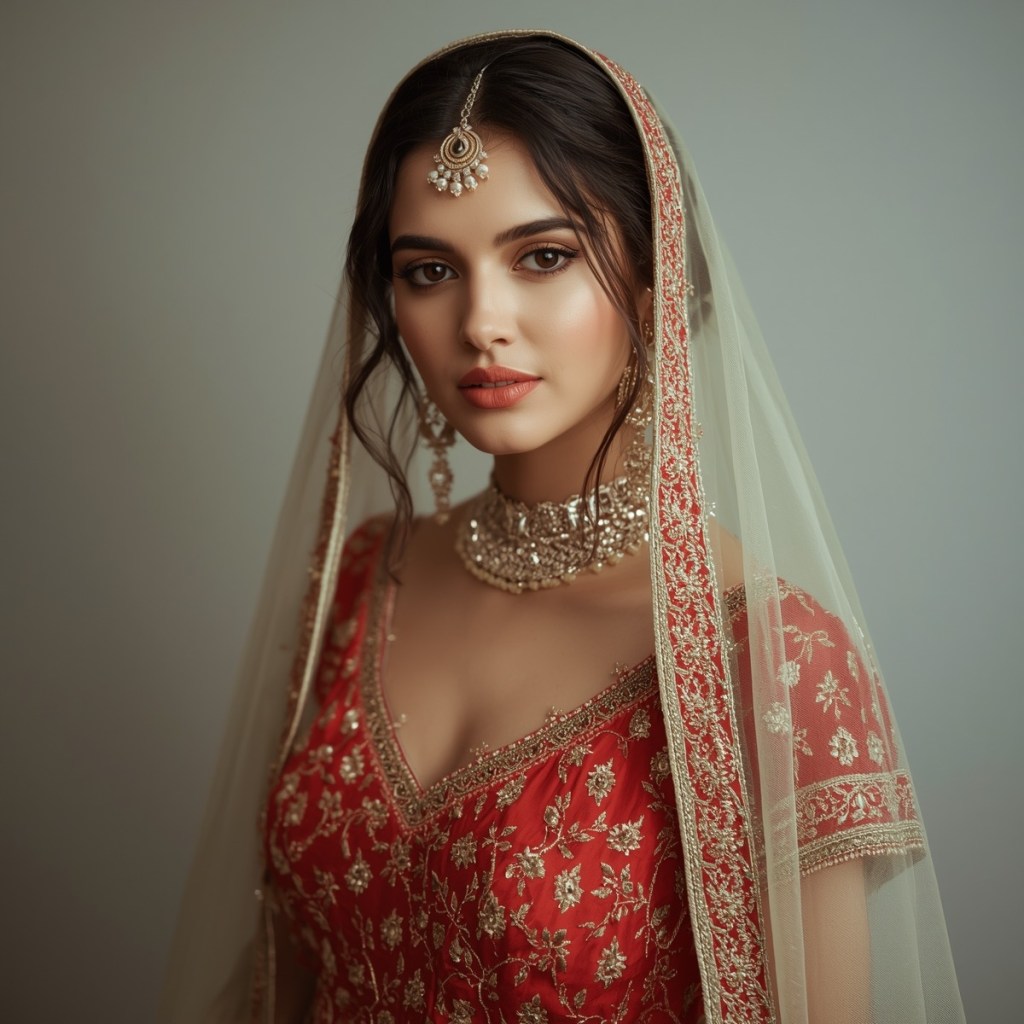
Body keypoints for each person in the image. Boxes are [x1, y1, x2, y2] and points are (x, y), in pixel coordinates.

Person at [159, 30, 965, 1024]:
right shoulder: (367, 579)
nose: (480, 320)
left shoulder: (766, 661)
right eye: (427, 271)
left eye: (542, 257)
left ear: (648, 276)